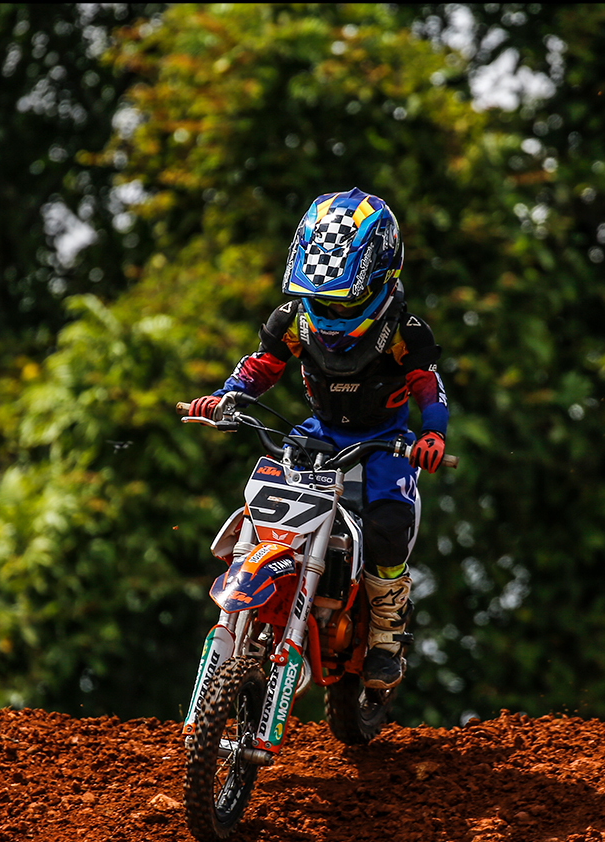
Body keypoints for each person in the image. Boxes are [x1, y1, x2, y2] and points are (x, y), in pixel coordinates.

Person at [188, 187, 449, 690]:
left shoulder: (404, 330)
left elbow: (427, 385)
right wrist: (225, 396)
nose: (328, 311)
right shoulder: (293, 318)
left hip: (385, 439)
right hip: (318, 433)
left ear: (379, 273)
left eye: (341, 299)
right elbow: (262, 366)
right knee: (263, 503)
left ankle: (386, 635)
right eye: (320, 297)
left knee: (388, 522)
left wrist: (433, 434)